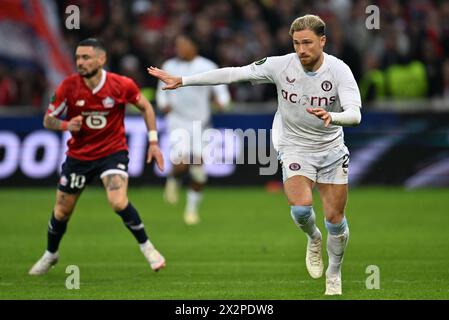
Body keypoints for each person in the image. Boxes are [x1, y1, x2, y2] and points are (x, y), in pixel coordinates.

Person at [148, 15, 361, 295]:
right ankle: (313, 237)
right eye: (296, 43)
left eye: (307, 42)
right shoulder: (280, 65)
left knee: (335, 219)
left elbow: (355, 114)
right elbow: (234, 73)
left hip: (331, 147)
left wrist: (332, 117)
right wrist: (184, 81)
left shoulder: (339, 70)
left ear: (322, 41)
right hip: (294, 144)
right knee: (300, 209)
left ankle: (334, 272)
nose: (301, 49)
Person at [29, 38, 166, 275]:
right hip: (79, 157)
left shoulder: (121, 85)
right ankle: (51, 254)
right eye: (78, 58)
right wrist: (65, 125)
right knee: (62, 212)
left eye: (85, 57)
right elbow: (47, 119)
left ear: (101, 59)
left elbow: (146, 107)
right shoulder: (67, 87)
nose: (80, 62)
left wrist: (153, 141)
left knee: (118, 201)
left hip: (112, 153)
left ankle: (148, 248)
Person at [156, 34, 230, 225]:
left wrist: (222, 102)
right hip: (177, 122)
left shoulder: (207, 66)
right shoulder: (169, 66)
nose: (179, 49)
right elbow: (160, 92)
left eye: (183, 45)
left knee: (198, 169)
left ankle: (191, 209)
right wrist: (163, 104)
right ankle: (173, 178)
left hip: (201, 124)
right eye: (177, 45)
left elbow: (222, 91)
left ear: (194, 47)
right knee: (181, 163)